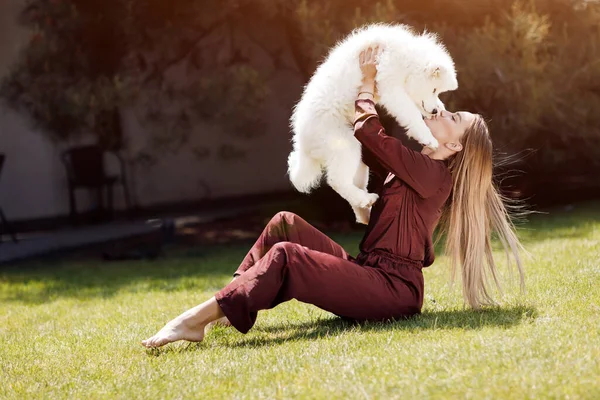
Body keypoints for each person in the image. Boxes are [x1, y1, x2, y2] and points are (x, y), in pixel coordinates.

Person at [141, 46, 525, 349]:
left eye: (454, 117)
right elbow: (365, 141)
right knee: (284, 223)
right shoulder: (416, 165)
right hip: (371, 272)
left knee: (287, 257)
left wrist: (368, 83)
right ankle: (231, 304)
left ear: (455, 145)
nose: (442, 111)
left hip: (391, 290)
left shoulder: (434, 174)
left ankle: (194, 321)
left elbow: (370, 132)